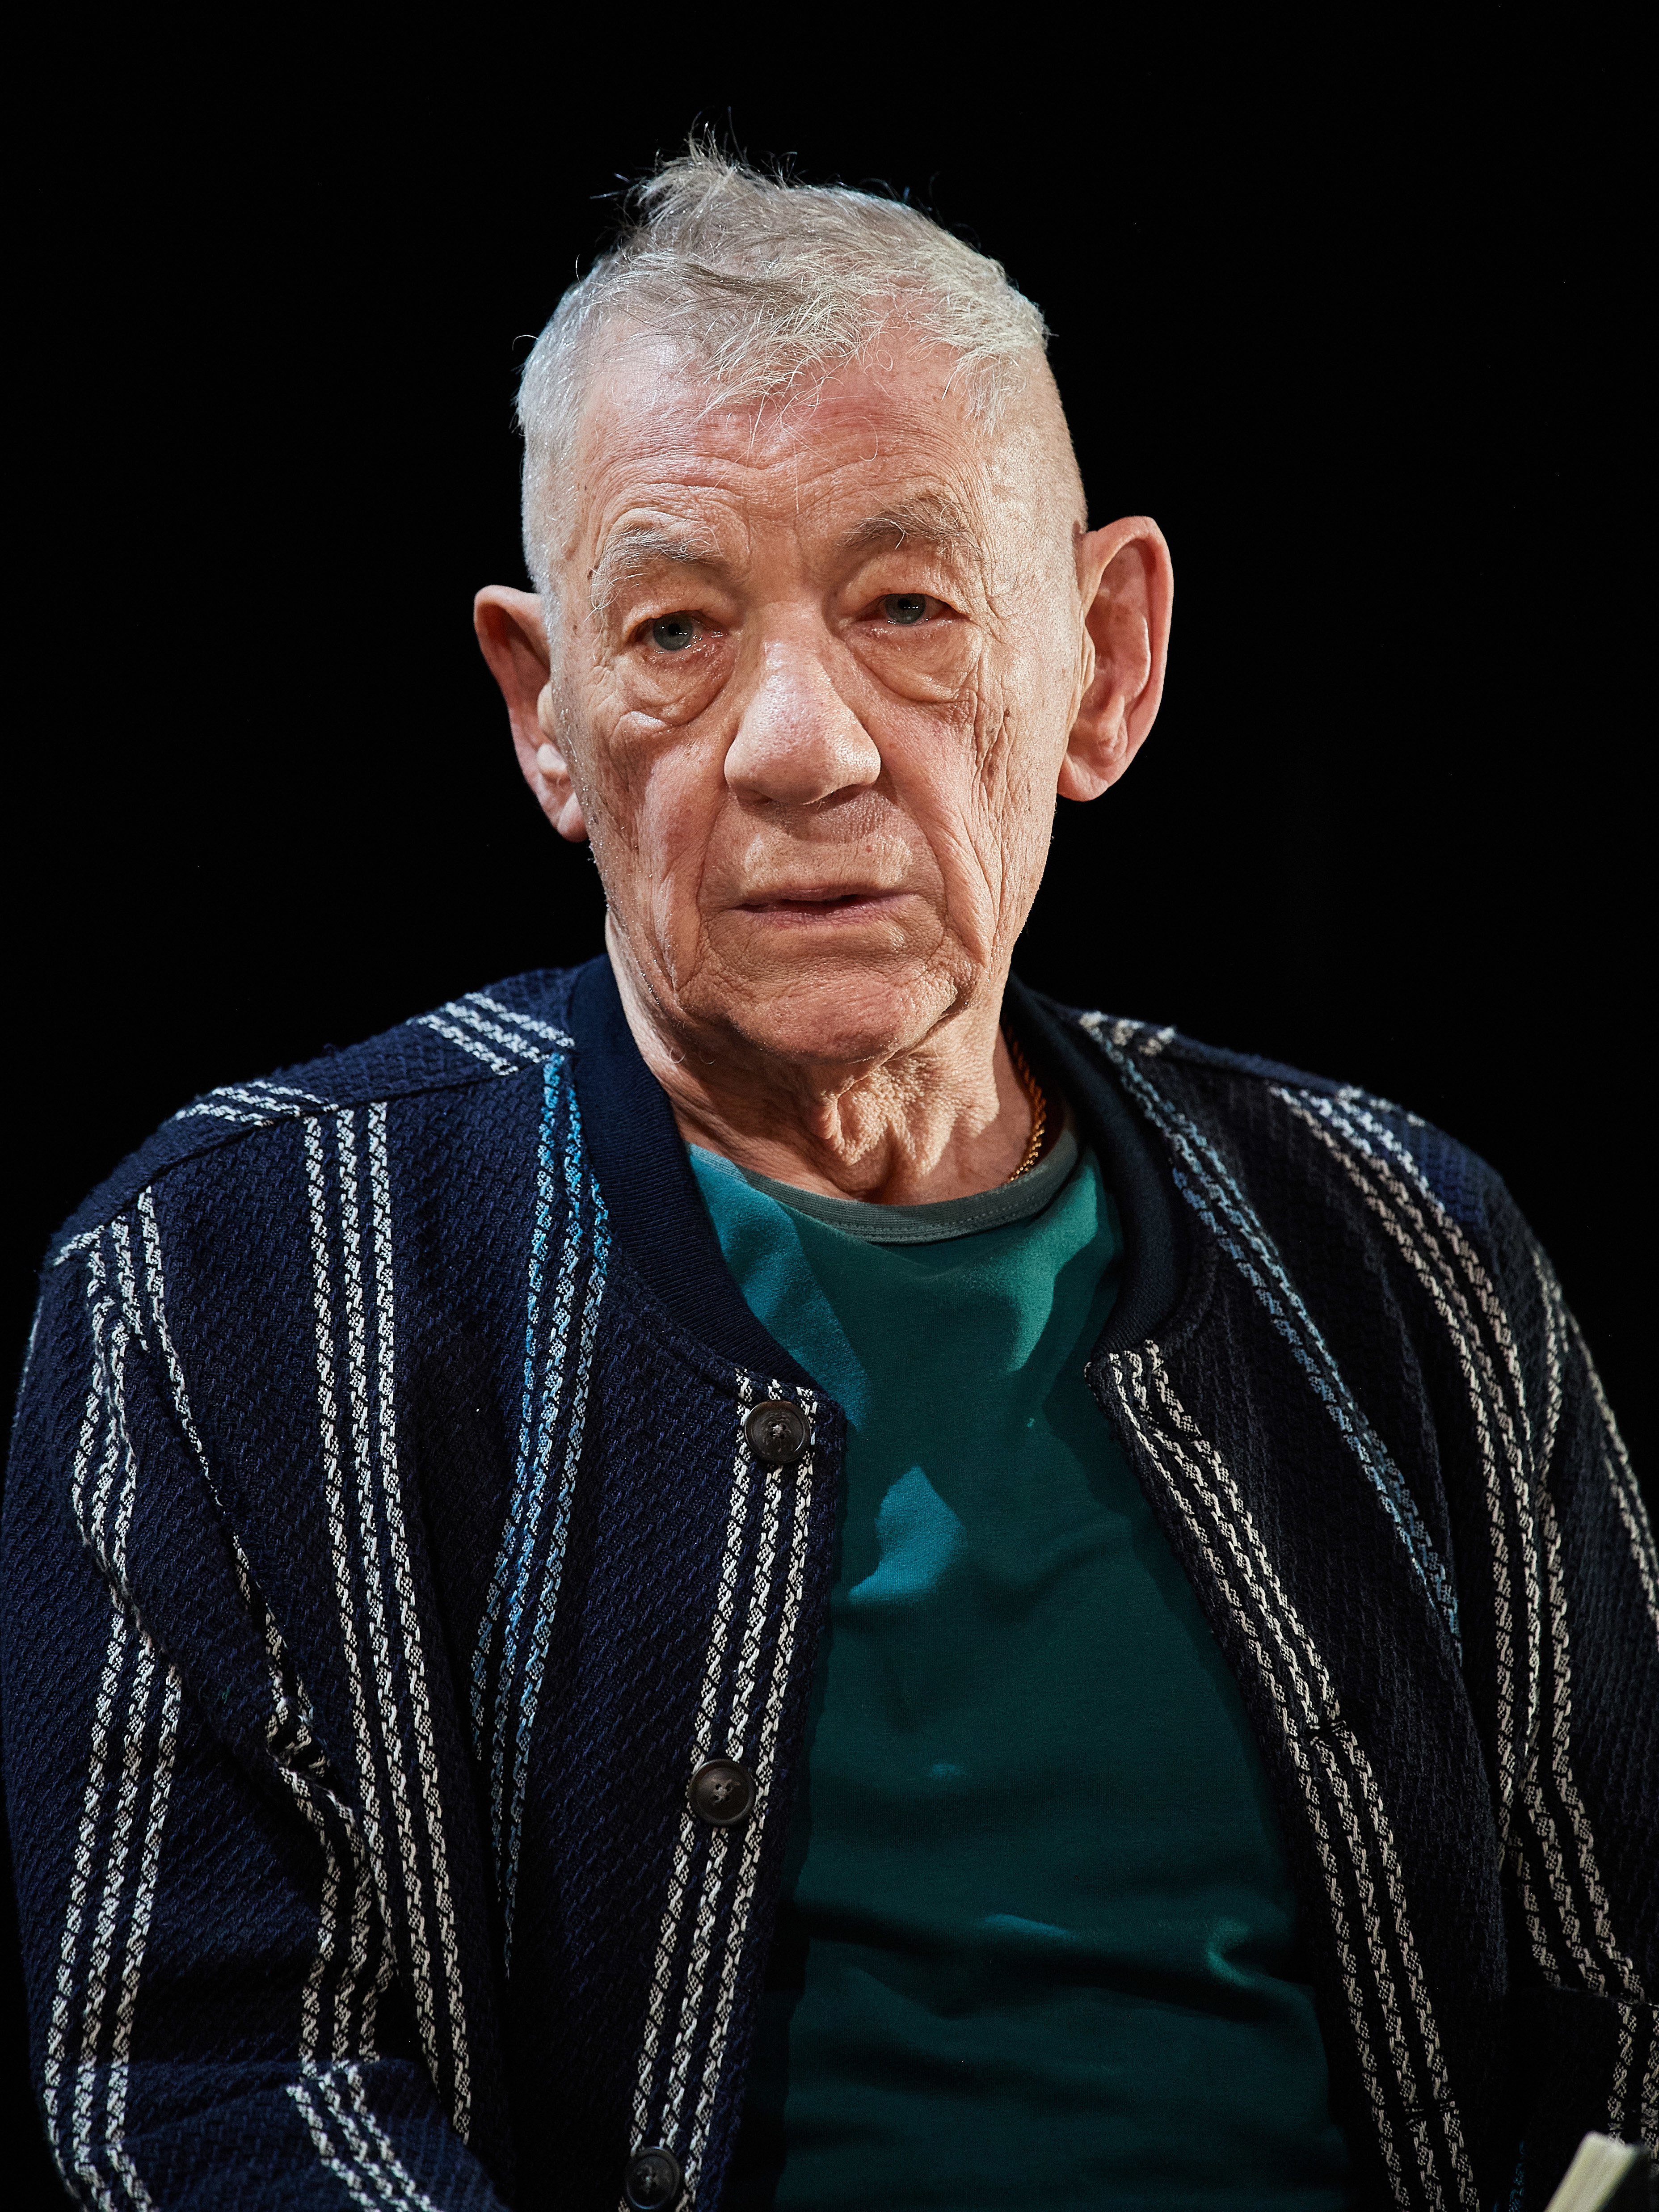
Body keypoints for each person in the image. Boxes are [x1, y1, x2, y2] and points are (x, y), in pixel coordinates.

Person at [3, 144, 1653, 2212]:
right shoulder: (231, 1279)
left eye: (905, 604)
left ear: (1106, 659)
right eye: (679, 625)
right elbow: (215, 2091)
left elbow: (1620, 2009)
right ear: (546, 712)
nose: (800, 740)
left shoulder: (1407, 1247)